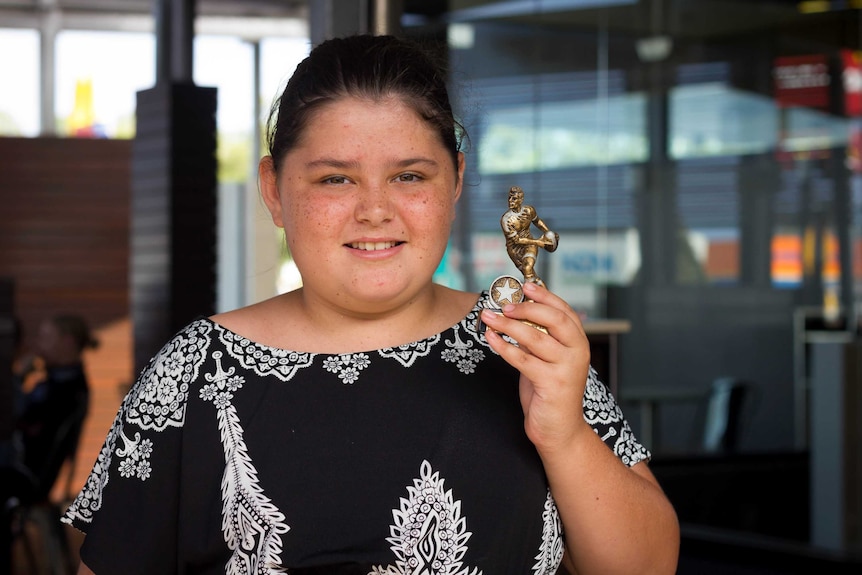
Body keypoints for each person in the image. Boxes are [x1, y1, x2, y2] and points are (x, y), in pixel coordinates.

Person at [64, 34, 679, 575]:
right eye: (336, 179)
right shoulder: (194, 374)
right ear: (274, 191)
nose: (375, 210)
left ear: (457, 182)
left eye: (410, 176)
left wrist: (564, 434)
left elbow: (649, 567)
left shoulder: (522, 345)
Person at [15, 313, 95, 501]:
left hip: (27, 477)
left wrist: (17, 380)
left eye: (45, 338)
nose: (38, 345)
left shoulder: (67, 390)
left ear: (67, 342)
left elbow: (19, 420)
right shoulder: (59, 382)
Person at [501, 185, 559, 287]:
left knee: (527, 268)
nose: (510, 200)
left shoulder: (529, 210)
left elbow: (537, 221)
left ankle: (530, 299)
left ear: (521, 199)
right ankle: (543, 293)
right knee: (531, 276)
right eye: (509, 198)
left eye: (514, 198)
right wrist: (539, 242)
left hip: (529, 245)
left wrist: (548, 232)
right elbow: (517, 240)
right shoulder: (506, 220)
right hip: (514, 250)